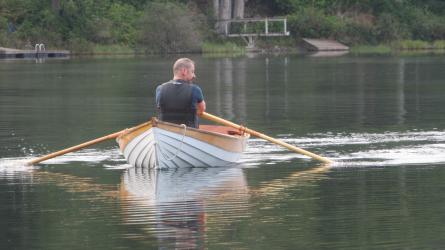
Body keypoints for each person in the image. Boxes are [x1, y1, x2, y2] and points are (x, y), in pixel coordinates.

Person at [156, 58, 206, 128]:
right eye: (192, 71)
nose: (194, 75)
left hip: (165, 129)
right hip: (189, 132)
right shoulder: (195, 90)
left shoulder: (160, 89)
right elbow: (201, 109)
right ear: (184, 71)